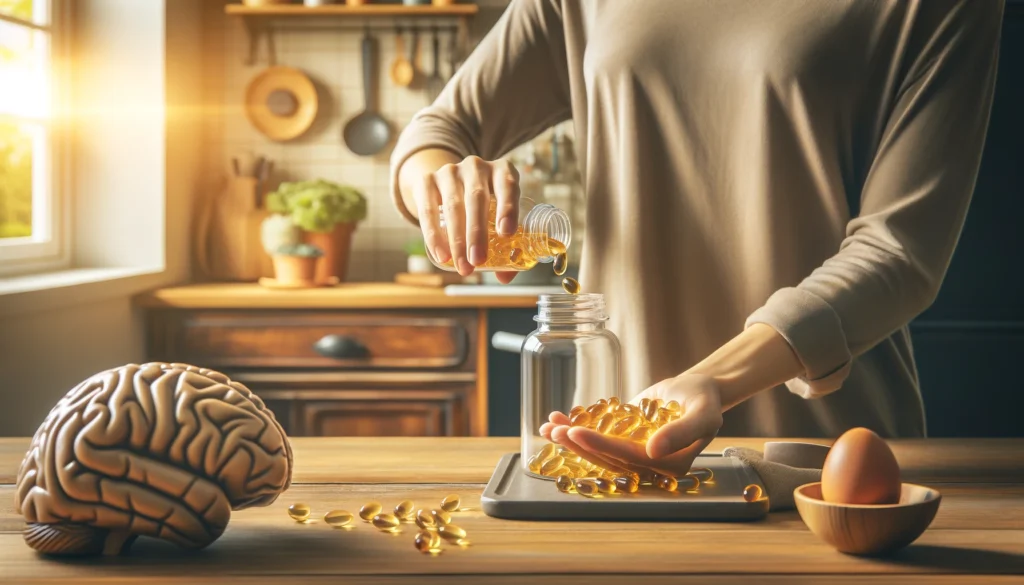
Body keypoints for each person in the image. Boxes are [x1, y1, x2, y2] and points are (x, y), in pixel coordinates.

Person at [390, 0, 1003, 476]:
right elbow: (439, 130)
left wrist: (714, 381)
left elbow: (899, 251)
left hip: (822, 457)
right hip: (613, 443)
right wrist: (444, 183)